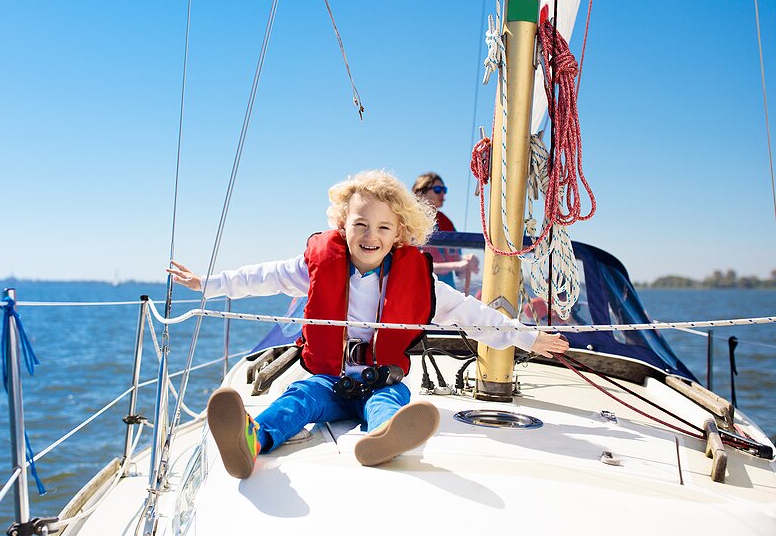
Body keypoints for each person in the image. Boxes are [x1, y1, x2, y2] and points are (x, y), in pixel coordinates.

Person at [167, 170, 568, 479]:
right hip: (328, 380)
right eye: (360, 224)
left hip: (381, 380)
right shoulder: (317, 265)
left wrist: (529, 339)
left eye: (382, 228)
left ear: (399, 233)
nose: (370, 236)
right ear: (343, 224)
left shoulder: (421, 282)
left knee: (387, 402)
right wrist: (206, 284)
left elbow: (472, 314)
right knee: (298, 399)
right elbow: (262, 277)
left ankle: (384, 438)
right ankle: (251, 439)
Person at [412, 171, 477, 286]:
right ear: (421, 192)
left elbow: (459, 272)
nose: (442, 194)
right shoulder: (411, 221)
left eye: (444, 190)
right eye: (437, 190)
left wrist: (468, 262)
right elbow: (414, 264)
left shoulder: (446, 223)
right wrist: (456, 265)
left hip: (446, 291)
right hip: (420, 288)